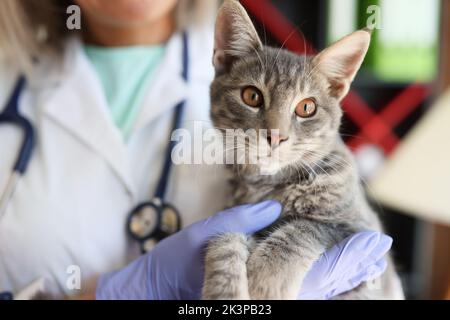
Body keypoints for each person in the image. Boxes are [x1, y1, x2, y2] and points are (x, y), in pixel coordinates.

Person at [0, 0, 392, 299]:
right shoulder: (7, 84)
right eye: (254, 97)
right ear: (225, 58)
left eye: (303, 109)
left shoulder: (306, 128)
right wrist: (120, 291)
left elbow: (373, 271)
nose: (276, 132)